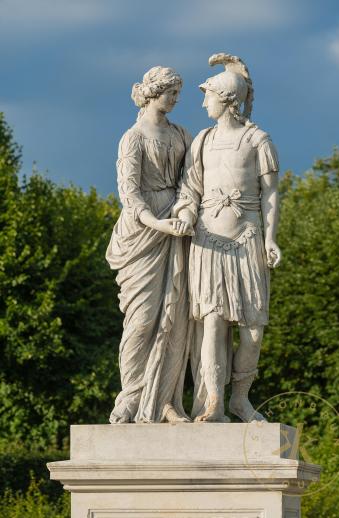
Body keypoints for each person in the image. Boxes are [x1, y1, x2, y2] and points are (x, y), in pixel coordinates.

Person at [173, 53, 281, 422]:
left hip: (247, 238)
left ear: (227, 100)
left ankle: (241, 397)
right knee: (213, 324)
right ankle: (215, 401)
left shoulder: (257, 140)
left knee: (252, 329)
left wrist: (271, 239)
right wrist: (186, 214)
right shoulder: (201, 141)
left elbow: (270, 194)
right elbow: (189, 190)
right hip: (207, 241)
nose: (203, 102)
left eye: (209, 95)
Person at [106, 66, 193, 424]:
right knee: (141, 321)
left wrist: (185, 209)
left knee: (174, 320)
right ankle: (130, 398)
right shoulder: (133, 137)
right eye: (171, 92)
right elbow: (129, 192)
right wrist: (157, 222)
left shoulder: (182, 134)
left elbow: (191, 180)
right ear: (154, 93)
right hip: (143, 233)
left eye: (177, 93)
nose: (175, 99)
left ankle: (165, 401)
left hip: (175, 226)